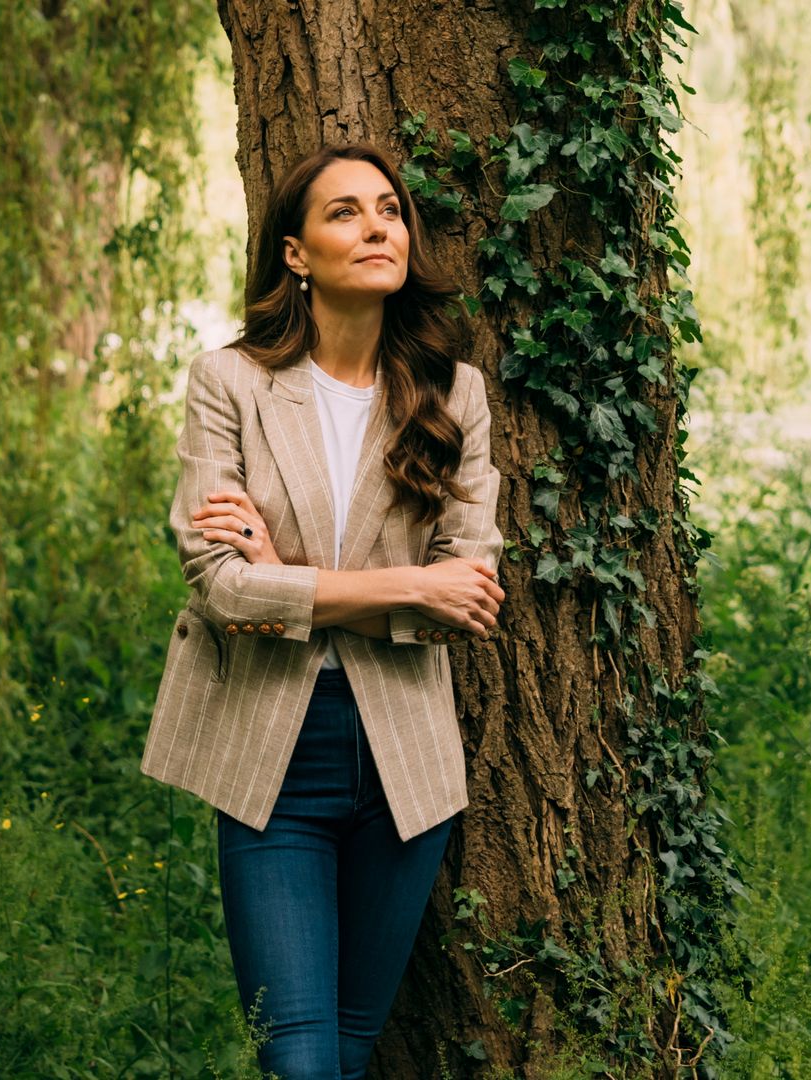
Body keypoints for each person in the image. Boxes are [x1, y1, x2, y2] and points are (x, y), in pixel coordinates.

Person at [140, 141, 505, 1080]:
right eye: (345, 211)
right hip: (273, 754)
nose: (377, 225)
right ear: (295, 254)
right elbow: (222, 587)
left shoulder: (454, 395)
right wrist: (407, 584)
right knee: (298, 1060)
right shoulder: (229, 384)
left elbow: (466, 597)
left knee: (347, 1046)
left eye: (388, 208)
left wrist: (289, 580)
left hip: (404, 761)